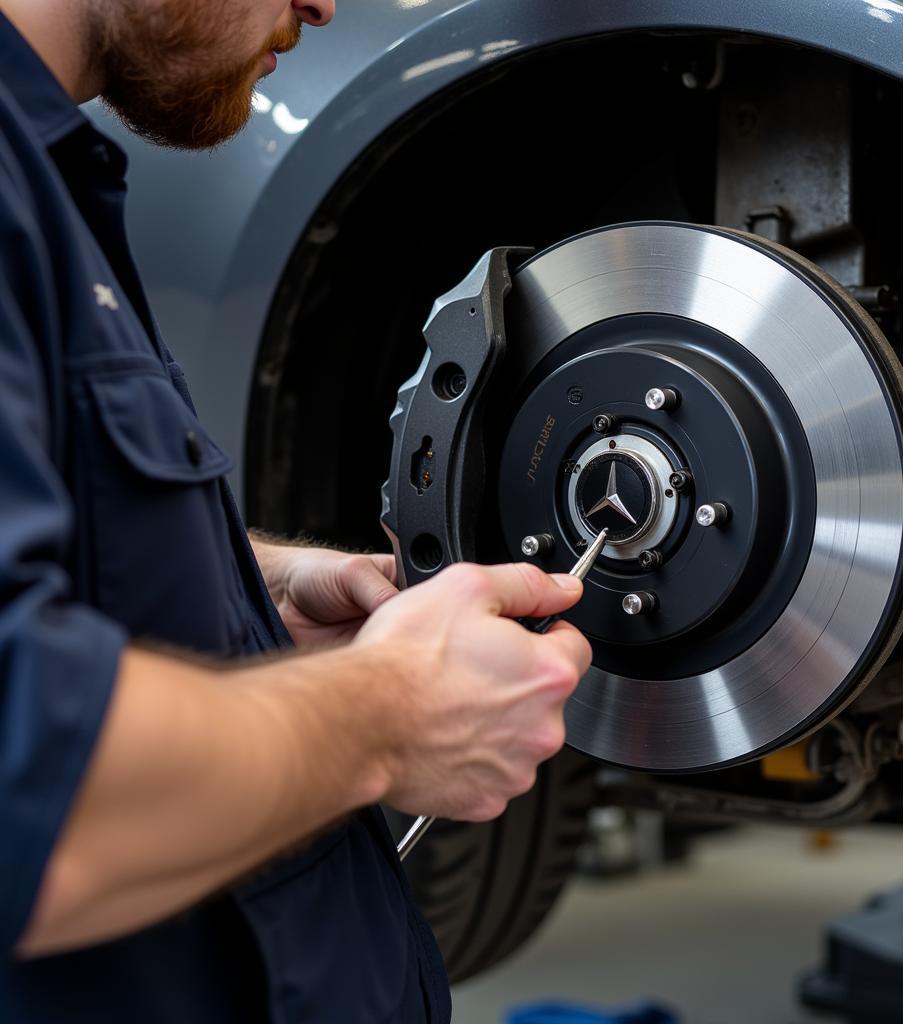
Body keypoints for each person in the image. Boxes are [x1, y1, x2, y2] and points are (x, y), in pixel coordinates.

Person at [0, 1, 593, 1020]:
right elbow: (29, 791)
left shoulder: (44, 169)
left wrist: (249, 589)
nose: (325, 1)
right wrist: (389, 711)